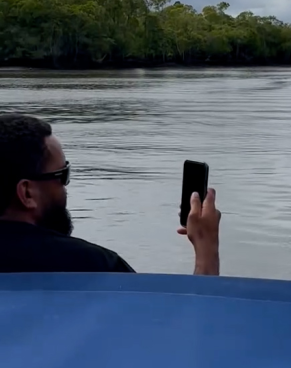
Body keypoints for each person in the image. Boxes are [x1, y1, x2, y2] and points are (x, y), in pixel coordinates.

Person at [0, 113, 221, 275]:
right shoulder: (92, 266)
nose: (66, 186)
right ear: (27, 193)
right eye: (62, 175)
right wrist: (206, 249)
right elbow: (184, 329)